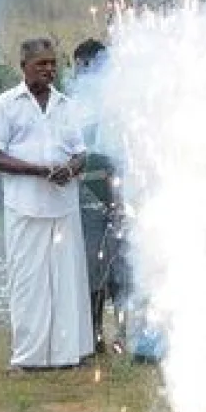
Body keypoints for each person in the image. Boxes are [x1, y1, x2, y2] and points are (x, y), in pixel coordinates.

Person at [0, 38, 92, 370]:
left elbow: (80, 152)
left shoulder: (66, 105)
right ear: (24, 66)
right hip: (25, 206)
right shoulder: (6, 104)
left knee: (65, 280)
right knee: (29, 282)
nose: (48, 69)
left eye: (52, 64)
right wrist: (38, 171)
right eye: (41, 64)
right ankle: (29, 357)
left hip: (62, 205)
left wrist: (70, 169)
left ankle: (67, 354)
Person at [72, 39, 125, 354]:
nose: (79, 72)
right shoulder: (73, 104)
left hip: (115, 189)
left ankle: (121, 332)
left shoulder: (116, 101)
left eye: (84, 65)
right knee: (93, 266)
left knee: (121, 267)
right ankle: (94, 333)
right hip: (86, 194)